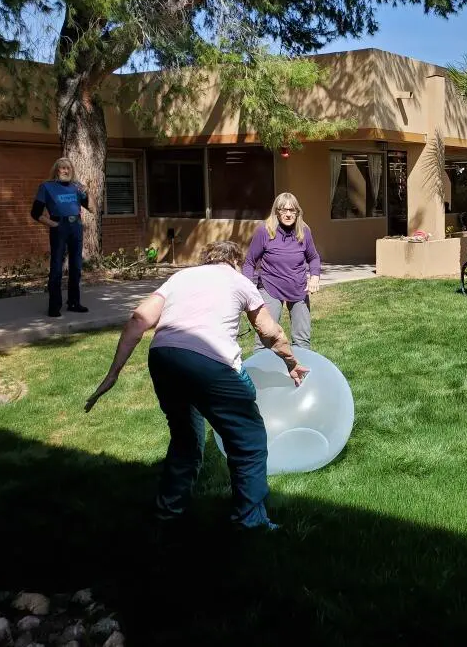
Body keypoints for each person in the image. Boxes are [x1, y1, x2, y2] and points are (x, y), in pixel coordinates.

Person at [84, 240, 309, 531]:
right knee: (249, 441)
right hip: (211, 364)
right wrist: (291, 363)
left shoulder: (180, 278)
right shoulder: (239, 281)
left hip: (164, 359)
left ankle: (168, 512)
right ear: (235, 261)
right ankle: (250, 520)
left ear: (206, 259)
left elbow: (139, 319)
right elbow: (269, 330)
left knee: (185, 439)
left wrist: (113, 373)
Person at [242, 193, 321, 349]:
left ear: (297, 212)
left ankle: (300, 371)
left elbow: (314, 257)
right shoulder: (264, 231)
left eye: (292, 210)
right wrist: (247, 288)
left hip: (298, 287)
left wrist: (314, 277)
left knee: (302, 339)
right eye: (284, 210)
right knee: (266, 337)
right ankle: (261, 372)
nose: (288, 214)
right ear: (276, 211)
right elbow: (249, 262)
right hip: (270, 287)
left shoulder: (304, 231)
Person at [31, 157, 91, 317]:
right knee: (57, 267)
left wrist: (87, 193)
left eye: (68, 168)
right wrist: (54, 224)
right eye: (62, 168)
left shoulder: (77, 187)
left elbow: (91, 208)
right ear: (56, 170)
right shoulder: (47, 187)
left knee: (76, 267)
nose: (65, 171)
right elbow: (35, 213)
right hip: (59, 227)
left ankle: (74, 302)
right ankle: (54, 306)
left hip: (76, 227)